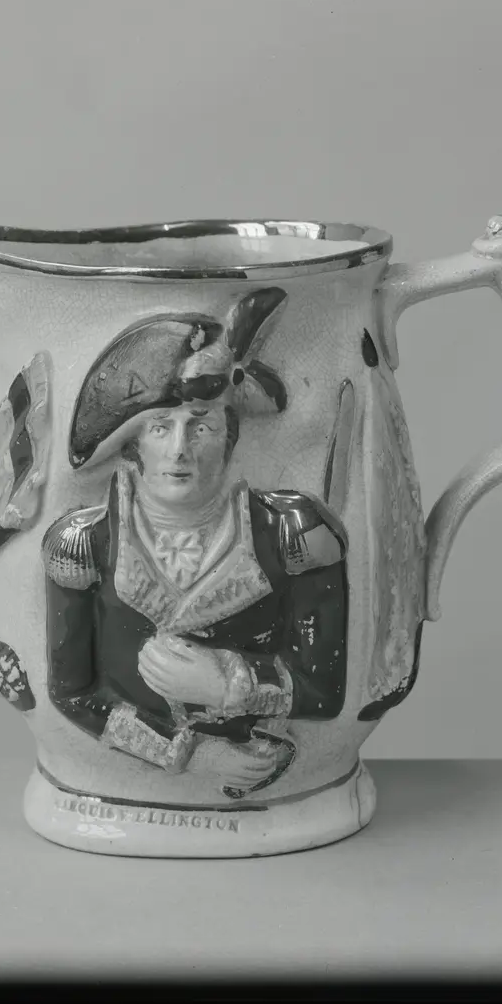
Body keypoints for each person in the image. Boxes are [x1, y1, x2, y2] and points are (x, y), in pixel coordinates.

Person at [41, 289, 349, 796]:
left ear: (230, 436)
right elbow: (72, 694)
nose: (179, 450)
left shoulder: (293, 535)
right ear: (133, 445)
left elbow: (324, 687)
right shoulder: (84, 545)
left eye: (201, 426)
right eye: (160, 428)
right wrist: (189, 755)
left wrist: (229, 681)